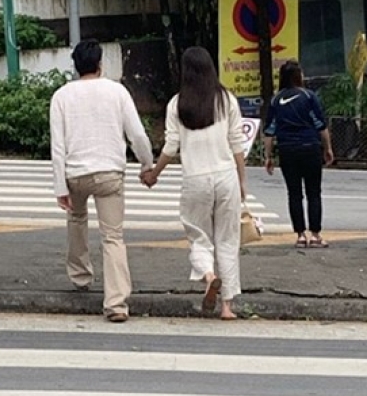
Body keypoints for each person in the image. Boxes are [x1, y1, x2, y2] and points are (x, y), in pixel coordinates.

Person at [49, 38, 155, 322]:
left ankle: (81, 276)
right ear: (99, 64)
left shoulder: (61, 96)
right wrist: (147, 165)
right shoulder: (117, 92)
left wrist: (60, 187)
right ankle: (117, 303)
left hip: (75, 173)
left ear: (75, 66)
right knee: (113, 236)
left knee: (76, 220)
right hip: (109, 172)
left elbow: (57, 147)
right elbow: (137, 134)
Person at [141, 46, 247, 321]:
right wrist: (242, 180)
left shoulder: (177, 104)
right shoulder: (227, 100)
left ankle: (209, 275)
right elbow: (237, 143)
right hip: (226, 176)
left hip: (196, 179)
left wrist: (154, 173)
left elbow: (172, 146)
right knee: (228, 239)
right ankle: (227, 307)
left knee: (198, 236)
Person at [263, 59, 334, 249]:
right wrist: (327, 149)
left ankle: (301, 235)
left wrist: (268, 156)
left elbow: (269, 131)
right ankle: (316, 235)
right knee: (314, 192)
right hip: (310, 147)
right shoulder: (309, 96)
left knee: (294, 193)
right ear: (297, 76)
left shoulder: (276, 100)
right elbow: (321, 125)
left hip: (287, 150)